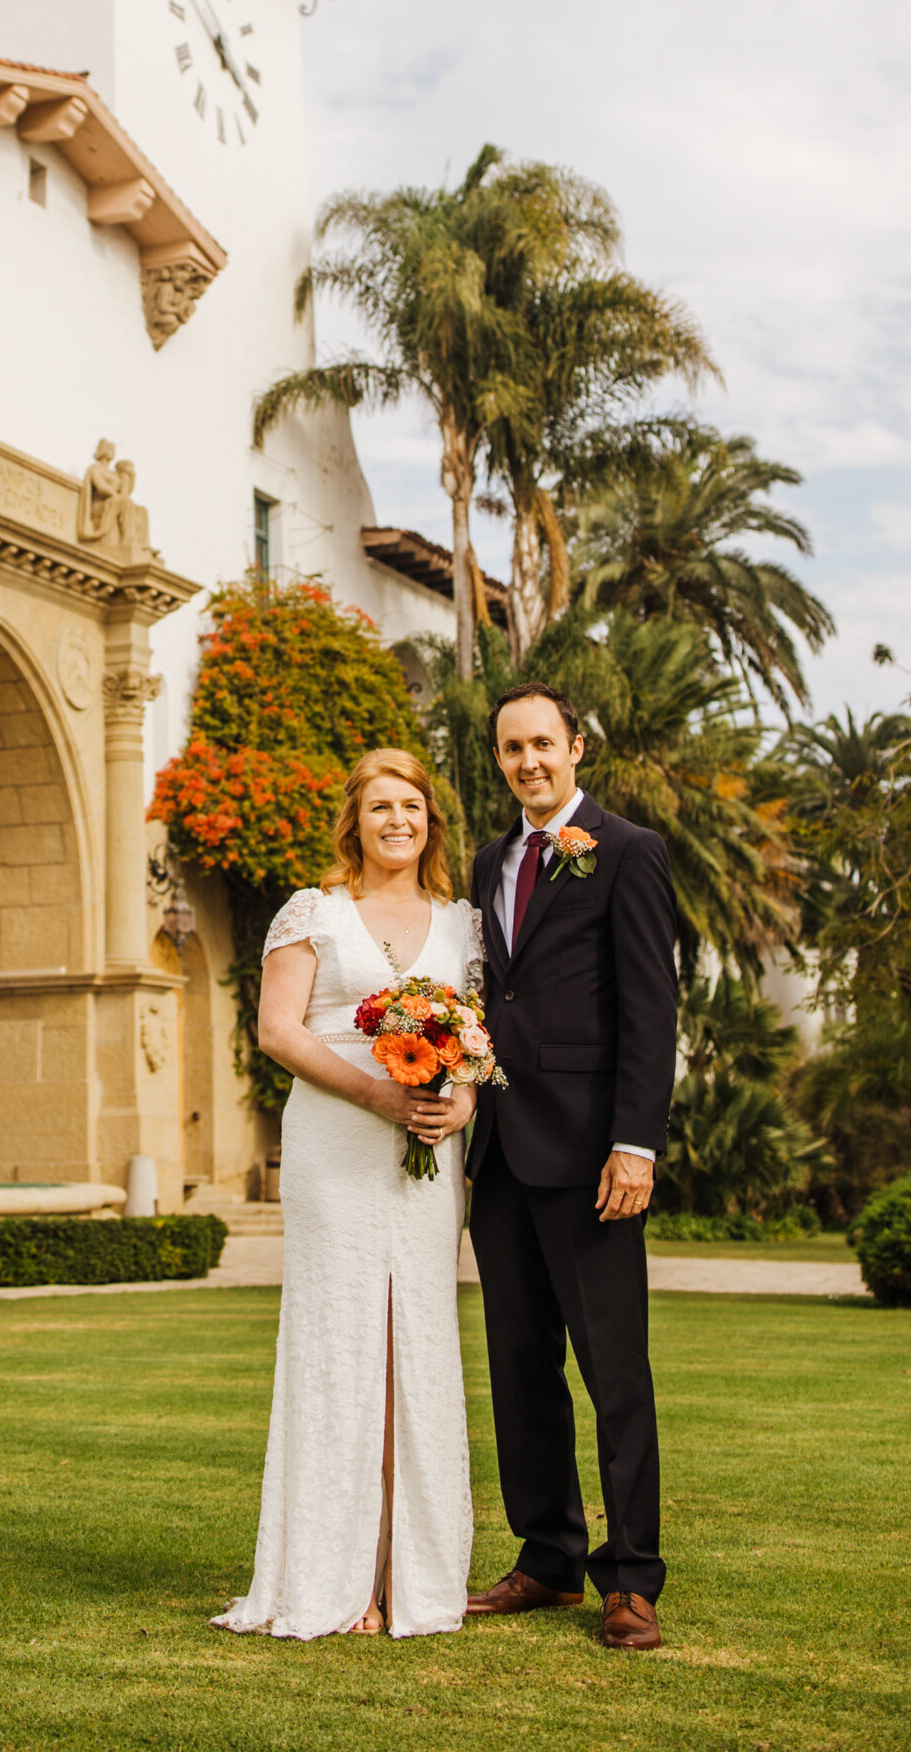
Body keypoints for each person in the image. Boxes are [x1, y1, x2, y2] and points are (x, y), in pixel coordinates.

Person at [213, 749, 483, 1639]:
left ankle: (409, 1576)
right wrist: (373, 1092)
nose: (396, 821)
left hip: (427, 1152)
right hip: (336, 1145)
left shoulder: (462, 922)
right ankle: (336, 1580)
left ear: (429, 820)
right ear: (354, 822)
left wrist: (461, 1101)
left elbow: (479, 1041)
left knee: (418, 1345)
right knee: (342, 1340)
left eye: (410, 806)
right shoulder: (314, 912)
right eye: (379, 808)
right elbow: (276, 1030)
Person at [464, 683, 679, 1652]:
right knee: (519, 1369)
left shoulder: (628, 852)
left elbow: (650, 1009)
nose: (529, 762)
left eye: (543, 743)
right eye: (512, 748)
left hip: (594, 1156)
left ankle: (630, 1579)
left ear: (577, 747)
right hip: (502, 1154)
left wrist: (635, 1142)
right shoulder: (487, 860)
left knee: (613, 1373)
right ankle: (547, 1555)